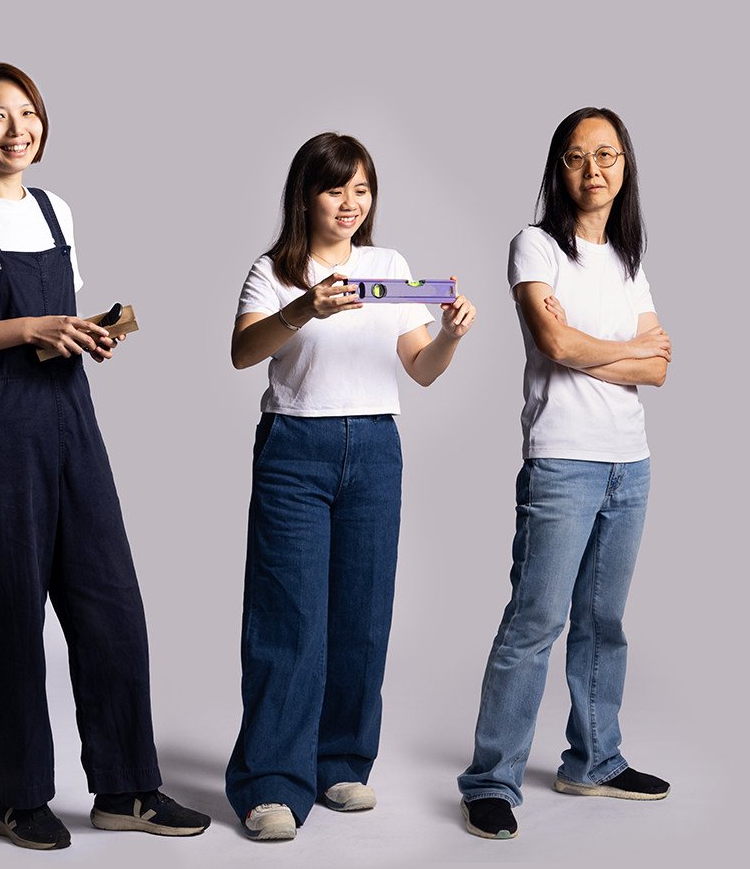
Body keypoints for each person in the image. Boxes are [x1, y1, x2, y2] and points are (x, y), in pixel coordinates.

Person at [0, 62, 211, 851]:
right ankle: (19, 797)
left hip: (70, 418)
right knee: (6, 613)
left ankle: (126, 788)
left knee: (111, 604)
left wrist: (85, 331)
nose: (18, 130)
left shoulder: (54, 208)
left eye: (29, 113)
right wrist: (31, 329)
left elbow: (55, 318)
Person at [226, 132, 475, 842]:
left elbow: (420, 368)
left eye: (361, 189)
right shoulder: (275, 269)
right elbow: (244, 351)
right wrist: (305, 308)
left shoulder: (388, 267)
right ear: (306, 195)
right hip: (295, 448)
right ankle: (271, 783)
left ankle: (340, 762)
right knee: (288, 617)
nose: (349, 202)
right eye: (335, 188)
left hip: (374, 447)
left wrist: (451, 335)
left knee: (363, 614)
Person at [458, 107, 671, 840]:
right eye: (579, 157)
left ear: (624, 167)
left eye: (607, 156)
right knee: (536, 621)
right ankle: (490, 780)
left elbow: (663, 365)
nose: (594, 170)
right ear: (559, 168)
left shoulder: (629, 259)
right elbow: (552, 343)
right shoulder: (535, 248)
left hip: (629, 463)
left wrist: (592, 349)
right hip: (562, 463)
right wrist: (621, 354)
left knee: (604, 623)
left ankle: (594, 761)